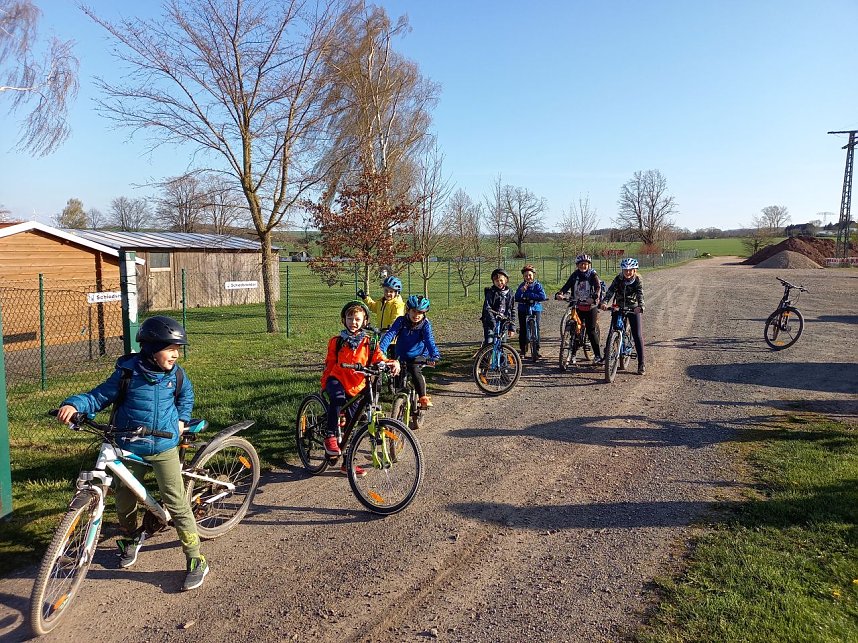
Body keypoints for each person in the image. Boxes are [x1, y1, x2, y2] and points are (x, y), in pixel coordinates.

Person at [55, 315, 209, 591]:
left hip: (163, 446)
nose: (176, 354)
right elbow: (98, 396)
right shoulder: (127, 374)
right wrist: (73, 405)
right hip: (129, 444)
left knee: (175, 501)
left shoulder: (177, 375)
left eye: (178, 348)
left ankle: (195, 558)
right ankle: (130, 537)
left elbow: (186, 397)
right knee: (125, 497)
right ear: (151, 350)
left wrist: (182, 420)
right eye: (170, 348)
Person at [321, 300, 401, 473]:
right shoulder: (336, 342)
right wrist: (324, 384)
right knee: (338, 399)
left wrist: (392, 363)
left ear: (365, 321)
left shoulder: (370, 343)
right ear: (344, 320)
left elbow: (380, 358)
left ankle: (347, 462)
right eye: (350, 318)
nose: (353, 322)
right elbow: (329, 364)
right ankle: (330, 436)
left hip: (357, 386)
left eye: (357, 319)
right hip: (337, 379)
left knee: (354, 423)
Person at [380, 294, 441, 409]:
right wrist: (381, 350)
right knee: (397, 375)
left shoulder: (425, 325)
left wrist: (434, 355)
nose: (416, 315)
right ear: (407, 310)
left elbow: (429, 341)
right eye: (413, 311)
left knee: (414, 370)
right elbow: (390, 335)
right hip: (401, 355)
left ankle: (423, 397)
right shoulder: (401, 321)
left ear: (424, 313)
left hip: (418, 356)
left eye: (420, 312)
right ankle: (399, 399)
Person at [555, 253, 604, 364]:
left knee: (591, 330)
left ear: (589, 265)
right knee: (575, 330)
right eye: (581, 264)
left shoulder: (593, 275)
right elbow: (566, 286)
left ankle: (597, 356)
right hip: (577, 304)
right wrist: (560, 293)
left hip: (590, 306)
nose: (583, 266)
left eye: (585, 264)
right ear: (577, 265)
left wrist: (594, 297)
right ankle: (572, 354)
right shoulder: (574, 275)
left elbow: (597, 287)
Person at [600, 257, 646, 375]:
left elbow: (640, 294)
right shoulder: (619, 278)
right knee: (613, 330)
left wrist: (640, 306)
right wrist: (605, 302)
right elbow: (610, 291)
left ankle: (641, 363)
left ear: (635, 270)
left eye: (630, 270)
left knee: (637, 334)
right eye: (625, 270)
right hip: (619, 306)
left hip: (633, 308)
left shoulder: (638, 280)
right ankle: (609, 352)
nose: (628, 272)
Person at [514, 264, 547, 358]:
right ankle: (523, 350)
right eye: (526, 276)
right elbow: (516, 297)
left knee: (537, 328)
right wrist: (521, 291)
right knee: (523, 329)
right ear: (523, 277)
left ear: (533, 275)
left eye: (530, 275)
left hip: (535, 308)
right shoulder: (521, 285)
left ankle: (536, 349)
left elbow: (542, 296)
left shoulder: (537, 285)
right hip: (523, 308)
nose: (528, 277)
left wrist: (529, 296)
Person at [481, 267, 516, 346]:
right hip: (490, 321)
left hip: (504, 322)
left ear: (506, 280)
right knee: (489, 342)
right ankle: (486, 357)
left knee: (502, 344)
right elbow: (487, 308)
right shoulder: (491, 292)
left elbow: (512, 310)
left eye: (501, 280)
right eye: (496, 281)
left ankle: (502, 358)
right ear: (493, 282)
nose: (499, 283)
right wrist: (493, 323)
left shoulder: (510, 293)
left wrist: (512, 327)